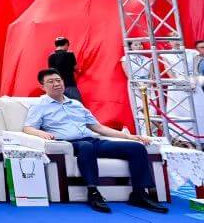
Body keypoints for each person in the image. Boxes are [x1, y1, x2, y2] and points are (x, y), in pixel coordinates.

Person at [24, 68, 166, 214]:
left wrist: (130, 137)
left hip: (92, 141)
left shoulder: (76, 104)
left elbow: (98, 128)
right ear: (42, 87)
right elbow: (28, 128)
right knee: (85, 147)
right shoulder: (39, 105)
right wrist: (41, 133)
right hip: (69, 145)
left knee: (136, 148)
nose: (56, 84)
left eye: (58, 80)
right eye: (50, 82)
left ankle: (139, 194)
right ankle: (93, 193)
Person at [48, 37, 81, 101]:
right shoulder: (69, 54)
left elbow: (51, 72)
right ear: (66, 44)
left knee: (61, 104)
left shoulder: (51, 56)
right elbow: (76, 68)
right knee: (76, 104)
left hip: (57, 86)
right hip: (69, 84)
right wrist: (80, 71)